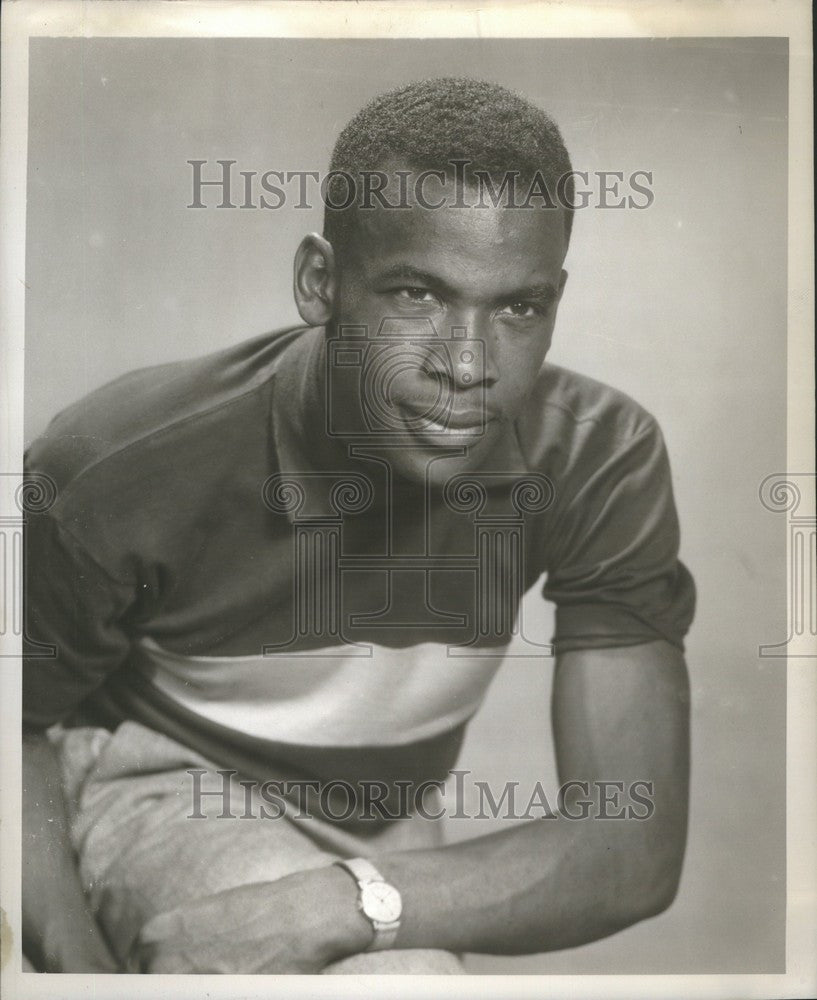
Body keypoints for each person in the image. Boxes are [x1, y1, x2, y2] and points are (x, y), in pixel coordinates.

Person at [22, 77, 695, 974]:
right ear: (319, 282)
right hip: (155, 778)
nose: (467, 365)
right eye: (416, 295)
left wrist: (337, 902)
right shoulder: (121, 459)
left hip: (384, 822)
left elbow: (628, 847)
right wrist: (75, 970)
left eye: (518, 308)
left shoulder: (598, 455)